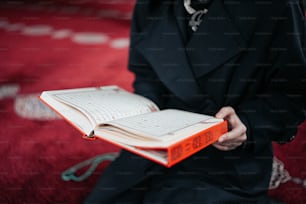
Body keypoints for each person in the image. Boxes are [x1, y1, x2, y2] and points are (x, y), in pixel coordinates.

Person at [85, 0, 306, 203]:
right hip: (154, 145)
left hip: (226, 158)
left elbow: (293, 93)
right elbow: (146, 75)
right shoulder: (150, 4)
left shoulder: (276, 6)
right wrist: (128, 116)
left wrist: (248, 122)